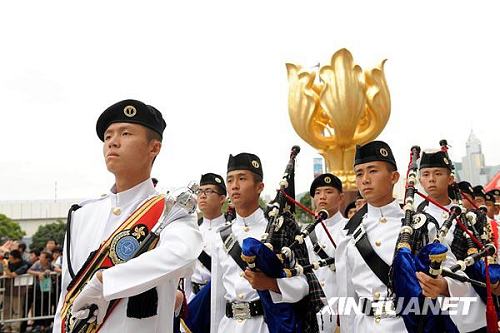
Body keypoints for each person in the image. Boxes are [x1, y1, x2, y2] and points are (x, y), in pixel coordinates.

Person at [53, 99, 202, 333]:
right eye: (108, 136)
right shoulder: (83, 213)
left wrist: (106, 282)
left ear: (154, 148)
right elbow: (66, 295)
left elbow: (181, 254)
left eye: (125, 133)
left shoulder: (172, 211)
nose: (113, 141)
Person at [210, 152, 310, 333]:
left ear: (259, 186)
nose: (234, 186)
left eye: (242, 179)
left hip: (266, 325)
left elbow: (303, 285)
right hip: (229, 326)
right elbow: (217, 296)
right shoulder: (221, 235)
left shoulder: (279, 228)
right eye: (230, 180)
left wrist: (271, 284)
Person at [416, 150, 486, 331]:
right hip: (432, 310)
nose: (431, 179)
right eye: (426, 174)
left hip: (474, 307)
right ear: (420, 180)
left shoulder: (472, 217)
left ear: (450, 179)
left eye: (438, 173)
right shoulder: (414, 220)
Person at [184, 173, 227, 302]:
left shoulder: (230, 231)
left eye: (209, 191)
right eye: (200, 191)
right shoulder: (191, 230)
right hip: (193, 298)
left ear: (222, 198)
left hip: (221, 299)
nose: (202, 195)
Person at [305, 173, 347, 300]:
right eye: (317, 193)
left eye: (328, 192)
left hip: (342, 304)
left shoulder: (350, 228)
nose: (322, 197)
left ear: (340, 197)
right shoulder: (306, 233)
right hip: (314, 304)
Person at [2, 249, 30, 333]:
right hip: (7, 290)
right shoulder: (9, 263)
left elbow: (11, 275)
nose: (9, 260)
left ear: (17, 259)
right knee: (6, 310)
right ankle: (6, 326)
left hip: (18, 292)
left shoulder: (24, 264)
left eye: (11, 258)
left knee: (17, 311)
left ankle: (15, 328)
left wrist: (5, 265)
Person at [28, 251, 56, 332]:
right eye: (40, 256)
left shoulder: (49, 265)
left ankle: (46, 325)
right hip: (38, 289)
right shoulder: (37, 263)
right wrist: (39, 273)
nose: (40, 258)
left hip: (48, 290)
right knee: (37, 306)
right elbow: (29, 271)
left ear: (47, 259)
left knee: (47, 306)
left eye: (42, 257)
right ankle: (38, 324)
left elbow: (55, 269)